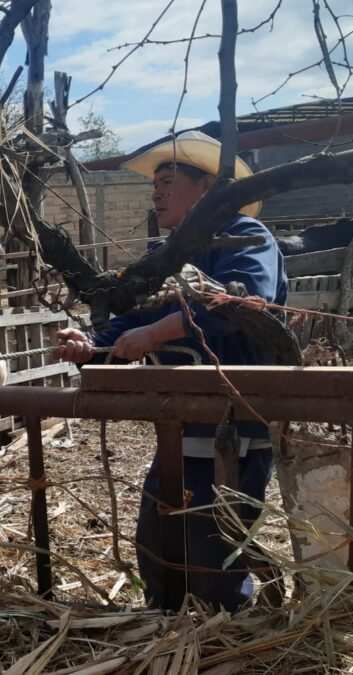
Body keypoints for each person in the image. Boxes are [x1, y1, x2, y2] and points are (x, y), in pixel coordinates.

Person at [54, 130, 287, 611]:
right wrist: (92, 344)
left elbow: (243, 301)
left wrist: (159, 333)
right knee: (160, 532)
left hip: (233, 419)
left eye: (168, 181)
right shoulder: (171, 257)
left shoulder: (244, 235)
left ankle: (222, 629)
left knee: (214, 537)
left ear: (206, 188)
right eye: (155, 184)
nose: (156, 192)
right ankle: (164, 619)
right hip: (180, 422)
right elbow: (135, 316)